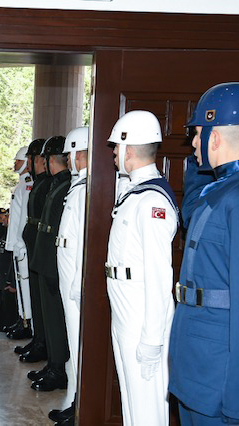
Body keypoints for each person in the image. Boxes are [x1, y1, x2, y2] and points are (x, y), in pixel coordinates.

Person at [169, 82, 239, 425]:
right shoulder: (221, 190)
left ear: (215, 136)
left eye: (198, 134)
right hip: (196, 367)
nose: (193, 143)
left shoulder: (235, 199)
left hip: (218, 380)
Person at [106, 110, 178, 426]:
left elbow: (160, 275)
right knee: (131, 397)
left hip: (141, 310)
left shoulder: (152, 201)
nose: (113, 152)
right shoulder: (135, 192)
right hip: (126, 304)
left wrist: (152, 338)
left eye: (116, 147)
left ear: (129, 149)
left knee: (146, 403)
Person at [49, 126, 89, 425]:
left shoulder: (87, 187)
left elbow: (85, 239)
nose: (68, 160)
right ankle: (74, 401)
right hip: (66, 265)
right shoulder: (79, 185)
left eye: (70, 155)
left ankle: (79, 405)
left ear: (78, 154)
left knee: (78, 341)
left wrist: (78, 280)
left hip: (75, 271)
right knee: (73, 342)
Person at [28, 135, 71, 392]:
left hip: (54, 261)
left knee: (55, 317)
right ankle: (52, 364)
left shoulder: (66, 186)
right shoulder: (56, 183)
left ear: (49, 159)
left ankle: (58, 368)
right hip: (45, 258)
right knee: (48, 314)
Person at [16, 138, 51, 360]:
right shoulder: (38, 183)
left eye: (30, 159)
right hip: (32, 244)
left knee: (42, 302)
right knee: (36, 300)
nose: (28, 164)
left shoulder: (46, 184)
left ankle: (42, 344)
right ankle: (38, 340)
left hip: (41, 247)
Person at [4, 146, 34, 340]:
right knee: (20, 284)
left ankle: (27, 323)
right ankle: (21, 318)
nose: (15, 163)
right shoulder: (22, 184)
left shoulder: (28, 184)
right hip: (16, 243)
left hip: (21, 244)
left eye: (18, 160)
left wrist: (20, 242)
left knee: (25, 285)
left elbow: (24, 217)